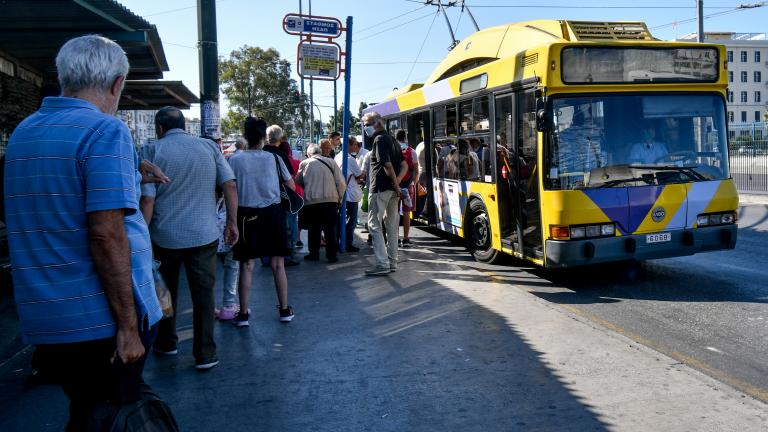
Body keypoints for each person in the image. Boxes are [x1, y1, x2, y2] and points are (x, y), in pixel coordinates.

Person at [3, 35, 166, 429]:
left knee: (84, 407)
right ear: (117, 84)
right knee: (111, 413)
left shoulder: (24, 133)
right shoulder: (104, 131)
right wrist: (129, 328)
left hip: (47, 316)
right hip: (99, 319)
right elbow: (106, 235)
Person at [140, 106, 239, 371]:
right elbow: (229, 184)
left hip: (165, 237)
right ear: (184, 125)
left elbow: (148, 199)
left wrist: (141, 237)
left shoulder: (151, 151)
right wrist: (231, 222)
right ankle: (205, 353)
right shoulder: (208, 147)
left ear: (160, 128)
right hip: (203, 234)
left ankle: (167, 341)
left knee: (166, 291)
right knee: (203, 294)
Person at [228, 117, 296, 326]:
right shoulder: (274, 158)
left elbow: (230, 188)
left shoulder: (235, 159)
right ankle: (284, 310)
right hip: (273, 214)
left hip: (246, 215)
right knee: (278, 264)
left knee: (247, 265)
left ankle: (243, 314)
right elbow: (291, 185)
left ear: (245, 135)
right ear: (263, 135)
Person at [362, 112, 408, 276]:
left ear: (377, 123)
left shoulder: (379, 139)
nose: (365, 127)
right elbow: (403, 165)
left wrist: (396, 185)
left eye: (367, 123)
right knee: (392, 226)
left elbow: (387, 166)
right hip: (392, 191)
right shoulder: (392, 139)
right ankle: (392, 262)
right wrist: (398, 184)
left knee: (374, 225)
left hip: (380, 188)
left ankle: (382, 264)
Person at [296, 143, 346, 262]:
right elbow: (341, 183)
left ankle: (314, 254)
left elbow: (298, 181)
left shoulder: (304, 163)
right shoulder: (331, 162)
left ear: (309, 154)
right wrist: (339, 198)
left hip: (312, 201)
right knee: (330, 230)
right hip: (331, 201)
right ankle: (332, 256)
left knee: (314, 229)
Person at [262, 125, 299, 267]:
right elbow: (289, 180)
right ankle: (285, 257)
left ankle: (265, 258)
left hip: (260, 198)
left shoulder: (260, 152)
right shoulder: (279, 155)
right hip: (278, 198)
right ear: (280, 138)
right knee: (283, 229)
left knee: (265, 231)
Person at [335, 136, 365, 252]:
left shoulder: (337, 156)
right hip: (350, 194)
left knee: (341, 219)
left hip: (341, 193)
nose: (356, 147)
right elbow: (359, 175)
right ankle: (348, 243)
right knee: (351, 220)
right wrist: (364, 169)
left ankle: (339, 241)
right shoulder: (350, 159)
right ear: (349, 145)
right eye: (354, 144)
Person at [395, 130, 419, 248]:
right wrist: (413, 183)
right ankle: (405, 239)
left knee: (393, 212)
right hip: (408, 185)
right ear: (405, 138)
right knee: (406, 212)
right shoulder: (412, 151)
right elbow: (416, 170)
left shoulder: (393, 150)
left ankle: (394, 238)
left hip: (395, 185)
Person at [280, 138, 303, 252]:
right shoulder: (297, 162)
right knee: (294, 220)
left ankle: (288, 244)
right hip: (297, 194)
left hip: (284, 195)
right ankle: (294, 242)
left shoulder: (279, 162)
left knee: (286, 221)